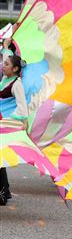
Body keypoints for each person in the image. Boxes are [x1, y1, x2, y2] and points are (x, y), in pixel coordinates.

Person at [0, 49, 28, 206]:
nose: (3, 66)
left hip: (6, 124)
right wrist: (6, 47)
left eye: (6, 64)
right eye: (3, 63)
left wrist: (7, 120)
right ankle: (4, 192)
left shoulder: (17, 84)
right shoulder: (5, 78)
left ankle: (3, 193)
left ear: (15, 69)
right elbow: (7, 57)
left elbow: (22, 109)